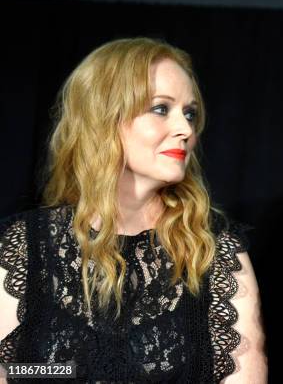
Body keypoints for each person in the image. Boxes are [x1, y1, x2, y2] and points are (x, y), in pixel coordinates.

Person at [0, 38, 266, 383]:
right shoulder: (25, 243)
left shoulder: (214, 249)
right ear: (104, 117)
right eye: (160, 109)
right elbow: (11, 370)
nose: (185, 129)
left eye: (190, 113)